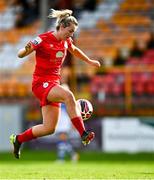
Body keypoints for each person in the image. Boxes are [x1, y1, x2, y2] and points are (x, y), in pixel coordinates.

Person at [10, 9, 100, 159]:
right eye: (70, 31)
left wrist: (89, 61)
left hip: (53, 84)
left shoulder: (66, 41)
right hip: (41, 84)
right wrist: (24, 51)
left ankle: (18, 139)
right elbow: (22, 52)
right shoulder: (43, 39)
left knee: (48, 128)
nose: (71, 34)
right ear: (62, 27)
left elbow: (74, 50)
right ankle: (83, 133)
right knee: (68, 96)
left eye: (73, 32)